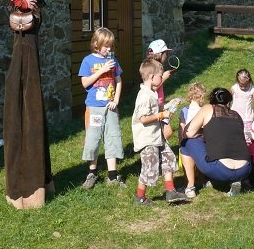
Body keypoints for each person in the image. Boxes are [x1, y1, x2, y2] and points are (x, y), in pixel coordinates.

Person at [0, 0, 63, 209]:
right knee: (24, 88)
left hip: (32, 28)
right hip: (24, 29)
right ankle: (25, 190)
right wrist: (19, 2)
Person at [131, 58, 189, 205]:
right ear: (152, 77)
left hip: (156, 136)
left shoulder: (151, 93)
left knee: (169, 158)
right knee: (149, 167)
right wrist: (161, 115)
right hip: (147, 139)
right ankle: (140, 197)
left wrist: (166, 108)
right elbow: (143, 119)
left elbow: (155, 112)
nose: (161, 78)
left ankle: (170, 191)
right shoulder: (144, 96)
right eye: (160, 76)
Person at [182, 87, 252, 196]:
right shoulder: (236, 115)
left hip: (220, 169)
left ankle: (190, 187)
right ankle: (236, 180)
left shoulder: (208, 108)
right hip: (245, 169)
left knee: (186, 143)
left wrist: (203, 130)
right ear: (229, 102)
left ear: (211, 100)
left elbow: (187, 133)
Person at [78, 27, 125, 188]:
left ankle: (112, 175)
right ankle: (92, 172)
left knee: (112, 137)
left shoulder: (113, 61)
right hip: (94, 108)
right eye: (106, 46)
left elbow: (118, 80)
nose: (109, 49)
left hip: (110, 107)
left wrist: (116, 100)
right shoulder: (88, 61)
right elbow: (85, 83)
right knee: (93, 138)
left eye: (111, 46)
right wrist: (102, 71)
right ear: (96, 44)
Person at [178, 82, 207, 198]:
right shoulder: (204, 110)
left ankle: (189, 185)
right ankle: (203, 180)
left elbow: (182, 128)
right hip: (202, 141)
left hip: (187, 142)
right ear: (201, 96)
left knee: (187, 165)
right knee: (201, 162)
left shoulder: (184, 111)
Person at [147, 39, 178, 139]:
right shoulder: (153, 68)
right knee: (166, 131)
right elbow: (152, 87)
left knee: (165, 130)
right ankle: (158, 147)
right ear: (159, 54)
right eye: (166, 53)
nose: (167, 55)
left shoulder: (157, 66)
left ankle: (160, 147)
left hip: (159, 104)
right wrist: (164, 77)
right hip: (154, 105)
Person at [230, 68, 254, 141]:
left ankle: (248, 147)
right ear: (237, 81)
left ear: (249, 80)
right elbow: (228, 99)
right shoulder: (234, 88)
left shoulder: (252, 90)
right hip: (235, 115)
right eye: (241, 85)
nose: (243, 87)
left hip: (247, 117)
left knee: (247, 135)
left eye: (245, 85)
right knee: (234, 133)